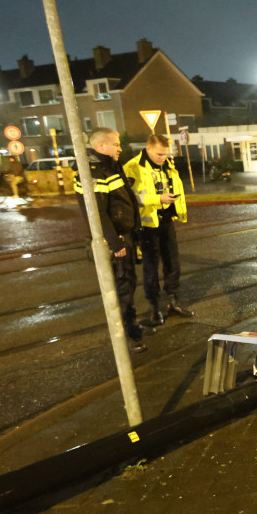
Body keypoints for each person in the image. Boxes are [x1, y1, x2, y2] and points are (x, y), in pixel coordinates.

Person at [75, 128, 150, 353]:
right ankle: (124, 337)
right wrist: (116, 244)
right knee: (121, 290)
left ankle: (132, 328)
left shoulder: (109, 166)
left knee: (127, 285)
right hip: (116, 241)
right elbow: (97, 214)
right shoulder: (95, 172)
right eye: (116, 144)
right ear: (101, 146)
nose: (120, 148)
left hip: (124, 237)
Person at [124, 135, 195, 326]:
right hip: (147, 225)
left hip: (165, 220)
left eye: (165, 154)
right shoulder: (133, 167)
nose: (163, 158)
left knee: (173, 263)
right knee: (151, 268)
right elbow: (130, 198)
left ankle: (173, 301)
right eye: (159, 154)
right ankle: (154, 309)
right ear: (148, 149)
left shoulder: (167, 165)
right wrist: (158, 200)